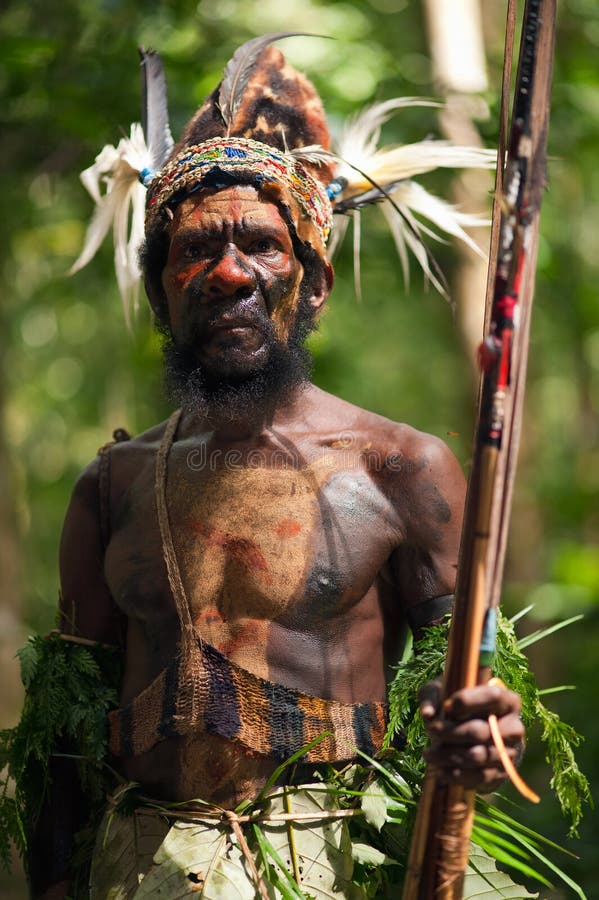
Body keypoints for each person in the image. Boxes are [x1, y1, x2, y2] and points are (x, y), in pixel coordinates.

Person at [30, 40, 523, 899]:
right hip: (142, 866)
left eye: (260, 245)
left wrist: (486, 736)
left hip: (338, 858)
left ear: (315, 283)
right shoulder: (113, 485)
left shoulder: (401, 468)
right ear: (160, 293)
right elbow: (62, 746)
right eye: (194, 251)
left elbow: (473, 691)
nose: (228, 273)